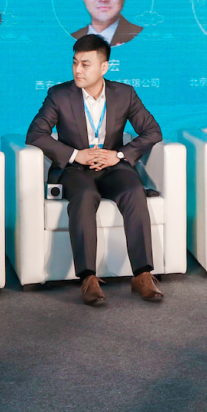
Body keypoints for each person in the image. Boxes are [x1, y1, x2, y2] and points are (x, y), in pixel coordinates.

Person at [26, 34, 163, 306]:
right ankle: (88, 277)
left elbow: (152, 131)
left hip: (113, 167)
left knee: (134, 190)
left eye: (85, 64)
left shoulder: (124, 93)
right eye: (75, 62)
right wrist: (76, 155)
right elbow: (35, 134)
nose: (78, 70)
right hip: (75, 169)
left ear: (104, 67)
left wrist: (118, 155)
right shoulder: (59, 95)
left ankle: (143, 274)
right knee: (85, 195)